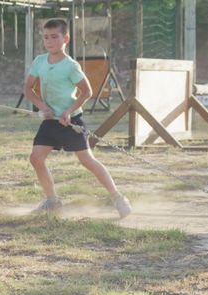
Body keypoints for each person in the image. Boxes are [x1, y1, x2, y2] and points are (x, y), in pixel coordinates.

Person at [22, 19, 132, 218]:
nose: (49, 41)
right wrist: (42, 107)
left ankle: (118, 198)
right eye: (46, 37)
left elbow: (87, 92)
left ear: (65, 39)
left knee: (87, 161)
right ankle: (52, 201)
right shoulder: (39, 61)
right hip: (50, 121)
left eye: (54, 37)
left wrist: (69, 111)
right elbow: (28, 89)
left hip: (71, 121)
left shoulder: (71, 66)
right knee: (36, 158)